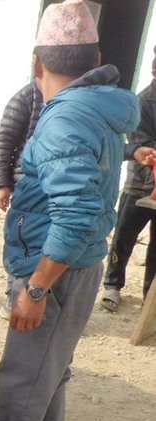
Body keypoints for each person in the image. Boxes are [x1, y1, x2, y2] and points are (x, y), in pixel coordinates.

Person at [0, 0, 139, 421]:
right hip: (83, 263)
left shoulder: (64, 120)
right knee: (53, 360)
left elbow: (72, 216)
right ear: (95, 58)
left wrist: (35, 287)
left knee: (22, 371)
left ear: (38, 63)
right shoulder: (100, 107)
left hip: (54, 267)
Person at [100, 46, 156, 312]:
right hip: (140, 186)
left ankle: (150, 296)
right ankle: (112, 285)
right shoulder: (143, 101)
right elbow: (141, 143)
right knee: (124, 236)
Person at [0, 81, 43, 319]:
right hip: (25, 186)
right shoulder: (26, 97)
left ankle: (42, 299)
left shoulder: (75, 99)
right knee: (21, 242)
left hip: (55, 187)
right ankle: (14, 297)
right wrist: (2, 184)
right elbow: (5, 141)